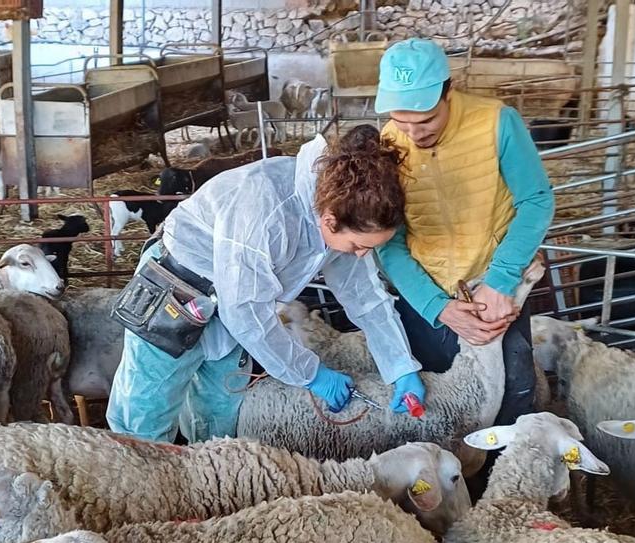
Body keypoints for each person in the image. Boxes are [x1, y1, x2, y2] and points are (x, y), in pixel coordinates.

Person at [107, 125, 425, 443]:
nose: (361, 255)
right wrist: (311, 373)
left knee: (219, 410)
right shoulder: (267, 208)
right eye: (359, 245)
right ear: (331, 221)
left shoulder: (341, 211)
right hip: (177, 288)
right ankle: (137, 486)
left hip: (237, 302)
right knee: (146, 414)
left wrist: (400, 366)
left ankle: (207, 480)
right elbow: (245, 312)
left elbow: (365, 296)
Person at [374, 38, 554, 429]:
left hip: (494, 293)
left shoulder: (496, 122)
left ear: (448, 92)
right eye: (401, 120)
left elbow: (536, 200)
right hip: (426, 295)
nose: (412, 133)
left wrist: (500, 281)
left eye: (425, 120)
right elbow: (389, 241)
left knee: (515, 393)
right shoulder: (387, 143)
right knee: (436, 407)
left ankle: (504, 484)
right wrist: (437, 306)